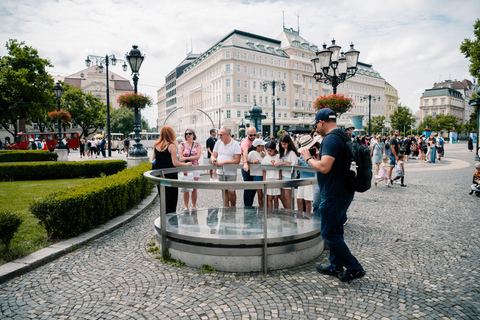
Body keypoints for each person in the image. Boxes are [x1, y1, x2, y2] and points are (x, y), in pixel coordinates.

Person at [300, 108, 366, 282]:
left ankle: (354, 268)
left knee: (329, 233)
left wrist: (307, 158)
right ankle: (336, 266)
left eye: (316, 124)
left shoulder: (330, 139)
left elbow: (324, 167)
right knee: (336, 230)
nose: (316, 128)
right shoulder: (342, 135)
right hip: (344, 190)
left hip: (334, 193)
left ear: (321, 122)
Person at [152, 126, 192, 214]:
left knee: (163, 198)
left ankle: (163, 220)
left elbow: (153, 160)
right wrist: (186, 164)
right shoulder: (171, 146)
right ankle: (170, 222)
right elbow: (175, 163)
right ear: (171, 134)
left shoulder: (156, 145)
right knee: (171, 200)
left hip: (160, 176)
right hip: (170, 176)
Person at [211, 127, 241, 207]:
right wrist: (213, 160)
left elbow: (237, 160)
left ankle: (233, 207)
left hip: (231, 172)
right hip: (220, 172)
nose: (219, 136)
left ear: (228, 135)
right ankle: (226, 208)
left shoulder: (235, 144)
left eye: (221, 135)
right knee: (224, 191)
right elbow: (213, 155)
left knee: (232, 192)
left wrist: (224, 162)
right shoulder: (218, 143)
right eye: (219, 135)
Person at [178, 129, 202, 210]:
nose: (188, 135)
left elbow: (198, 157)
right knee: (186, 188)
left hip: (195, 168)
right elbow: (181, 158)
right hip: (185, 167)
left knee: (194, 188)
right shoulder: (182, 144)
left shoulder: (197, 144)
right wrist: (189, 159)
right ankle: (186, 207)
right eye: (186, 134)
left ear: (193, 135)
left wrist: (187, 158)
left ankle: (194, 206)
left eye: (190, 133)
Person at [296, 135, 320, 214]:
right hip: (302, 179)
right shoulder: (302, 154)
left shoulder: (316, 155)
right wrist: (299, 162)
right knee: (299, 199)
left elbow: (316, 166)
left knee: (307, 200)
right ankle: (299, 217)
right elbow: (299, 165)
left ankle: (308, 217)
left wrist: (314, 157)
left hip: (310, 180)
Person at [276, 134, 299, 209]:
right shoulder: (284, 151)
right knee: (282, 195)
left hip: (289, 176)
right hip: (283, 175)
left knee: (287, 196)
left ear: (289, 143)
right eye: (282, 144)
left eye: (284, 144)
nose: (283, 146)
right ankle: (287, 210)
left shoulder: (292, 152)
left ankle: (289, 212)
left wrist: (284, 163)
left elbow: (294, 164)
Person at [247, 139, 266, 208]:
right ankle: (261, 208)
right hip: (257, 175)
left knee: (265, 194)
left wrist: (265, 156)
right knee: (260, 194)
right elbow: (246, 161)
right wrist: (253, 162)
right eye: (262, 146)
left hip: (264, 174)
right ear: (257, 146)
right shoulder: (252, 153)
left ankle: (265, 208)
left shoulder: (263, 153)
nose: (264, 147)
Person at [241, 126, 257, 207]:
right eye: (251, 135)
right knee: (248, 187)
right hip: (247, 168)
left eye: (255, 135)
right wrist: (245, 163)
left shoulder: (256, 141)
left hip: (254, 168)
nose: (253, 137)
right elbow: (245, 151)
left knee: (253, 188)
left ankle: (250, 205)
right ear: (247, 134)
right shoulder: (245, 142)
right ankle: (247, 206)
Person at [262, 141, 281, 209]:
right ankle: (270, 213)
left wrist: (280, 180)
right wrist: (264, 181)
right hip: (268, 179)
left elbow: (280, 170)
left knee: (276, 198)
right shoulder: (266, 158)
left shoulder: (278, 157)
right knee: (269, 197)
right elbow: (264, 170)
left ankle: (275, 213)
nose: (269, 152)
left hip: (276, 179)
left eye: (270, 151)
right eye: (268, 151)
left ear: (274, 149)